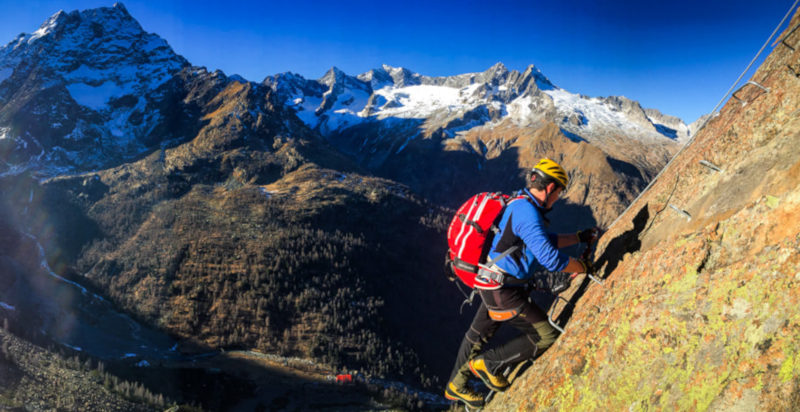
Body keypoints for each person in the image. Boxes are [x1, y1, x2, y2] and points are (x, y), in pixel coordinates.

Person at [444, 158, 600, 408]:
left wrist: (577, 237)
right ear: (550, 188)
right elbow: (549, 258)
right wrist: (583, 267)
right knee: (545, 336)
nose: (559, 197)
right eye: (560, 191)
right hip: (503, 290)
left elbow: (538, 240)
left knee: (476, 335)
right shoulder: (528, 211)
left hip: (490, 283)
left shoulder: (520, 203)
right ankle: (490, 364)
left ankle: (455, 385)